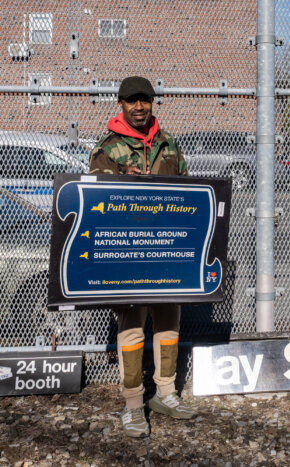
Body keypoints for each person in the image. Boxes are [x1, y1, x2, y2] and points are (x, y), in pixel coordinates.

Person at [89, 76, 195, 438]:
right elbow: (96, 204)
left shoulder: (169, 144)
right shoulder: (108, 147)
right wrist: (124, 181)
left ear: (152, 103)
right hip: (127, 254)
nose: (139, 107)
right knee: (132, 329)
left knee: (169, 324)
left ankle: (166, 394)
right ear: (120, 103)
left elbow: (187, 191)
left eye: (145, 100)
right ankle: (133, 405)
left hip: (167, 251)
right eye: (132, 100)